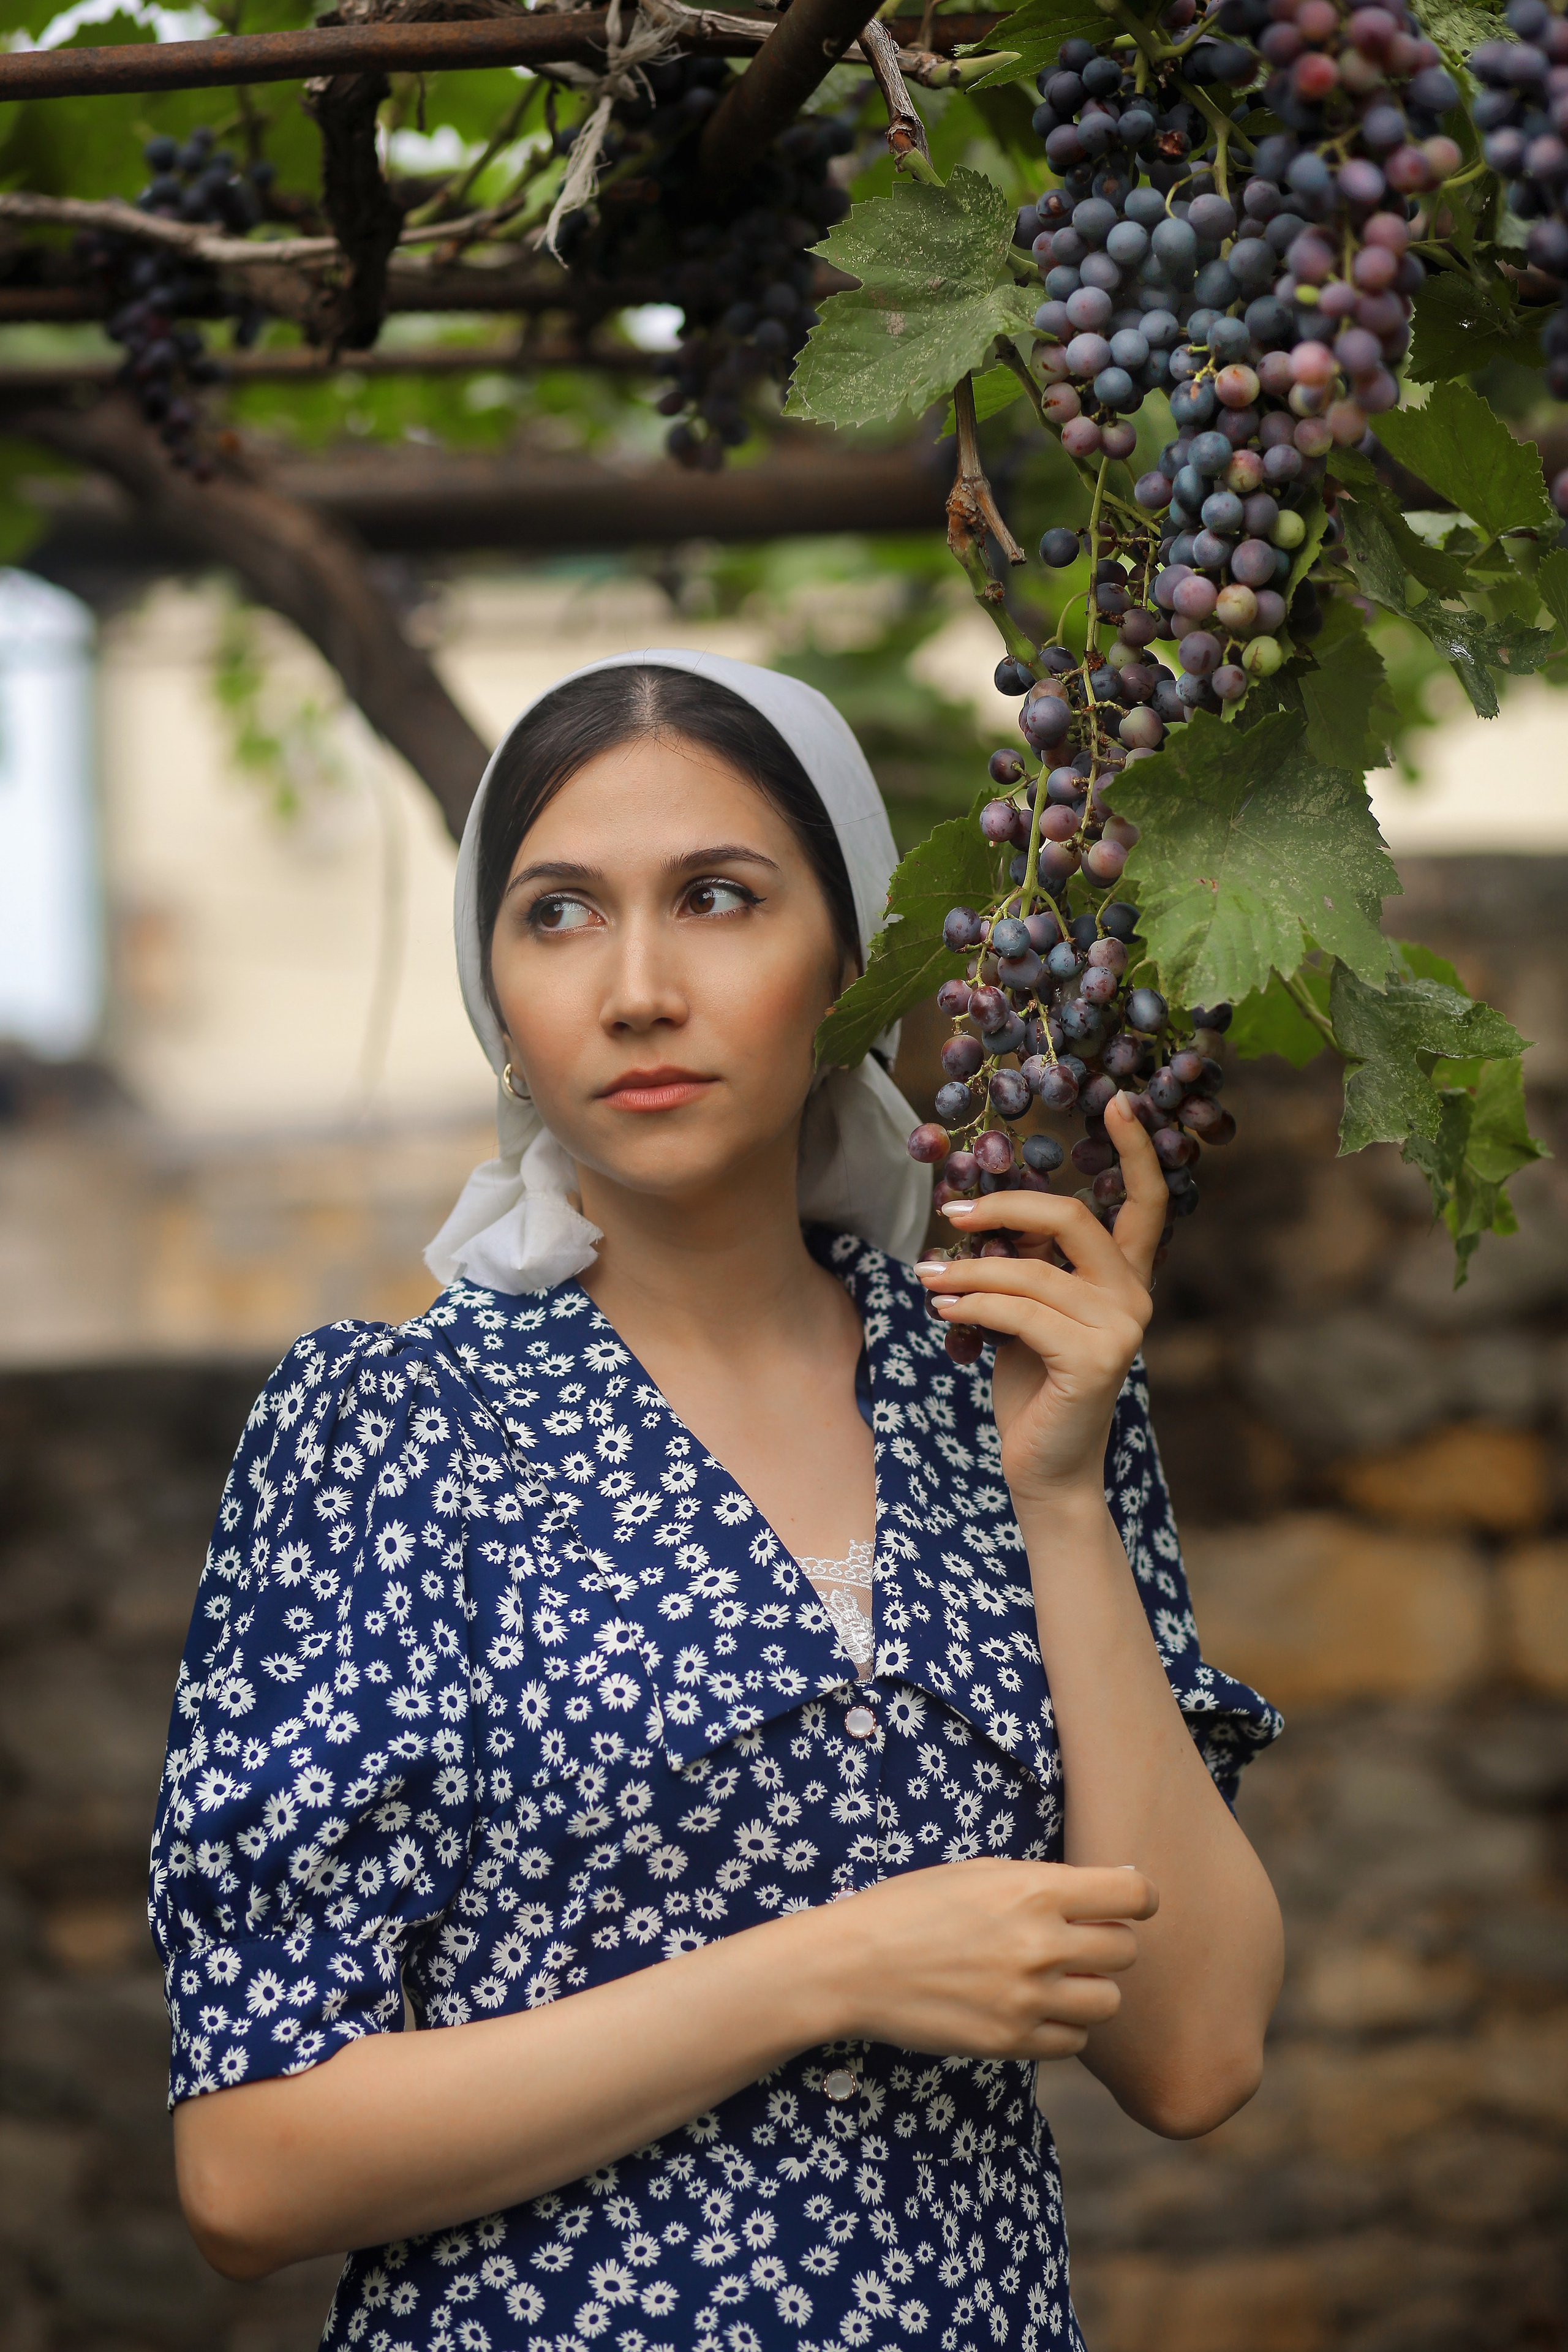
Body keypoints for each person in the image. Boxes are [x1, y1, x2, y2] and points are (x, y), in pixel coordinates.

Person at [149, 650, 1284, 2352]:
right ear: (497, 995)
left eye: (719, 898)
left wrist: (1056, 1498)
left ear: (851, 955)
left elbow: (1194, 2056)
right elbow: (250, 2170)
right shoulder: (387, 1427)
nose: (637, 988)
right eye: (557, 915)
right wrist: (826, 1970)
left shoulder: (1008, 1374)